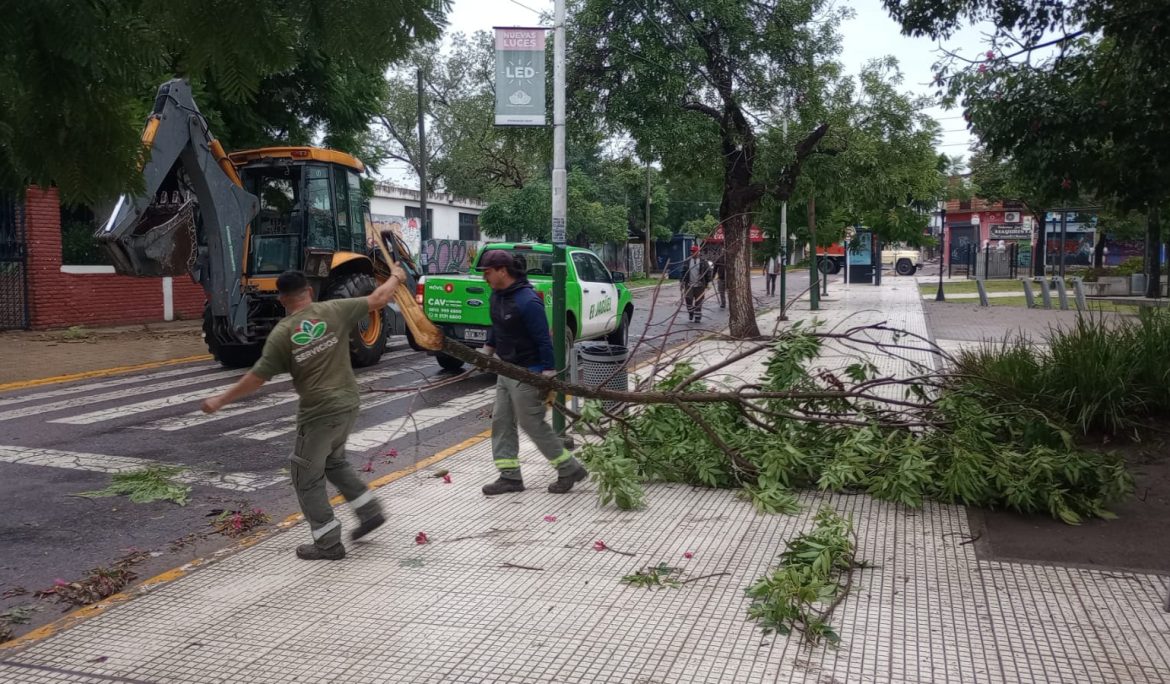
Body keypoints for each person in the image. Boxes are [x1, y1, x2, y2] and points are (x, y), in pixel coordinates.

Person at [200, 265, 406, 560]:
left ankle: (328, 542)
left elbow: (257, 377)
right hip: (349, 403)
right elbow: (378, 299)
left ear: (282, 299)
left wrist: (220, 400)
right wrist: (397, 276)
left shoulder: (283, 333)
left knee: (305, 475)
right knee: (333, 462)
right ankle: (369, 510)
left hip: (319, 413)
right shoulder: (335, 309)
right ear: (308, 291)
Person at [478, 250, 589, 496]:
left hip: (529, 372)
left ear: (502, 271)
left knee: (532, 423)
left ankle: (568, 468)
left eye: (487, 272)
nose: (484, 277)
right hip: (505, 369)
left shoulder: (528, 301)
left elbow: (544, 339)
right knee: (501, 421)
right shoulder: (497, 295)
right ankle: (510, 477)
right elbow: (496, 325)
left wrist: (547, 374)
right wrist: (488, 349)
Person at [680, 245, 713, 323]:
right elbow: (683, 272)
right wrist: (681, 282)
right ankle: (691, 312)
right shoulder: (687, 262)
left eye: (694, 252)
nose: (692, 253)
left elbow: (708, 272)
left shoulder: (703, 262)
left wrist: (709, 282)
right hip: (689, 285)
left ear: (698, 252)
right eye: (692, 252)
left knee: (698, 302)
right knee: (688, 299)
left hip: (700, 285)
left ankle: (697, 317)